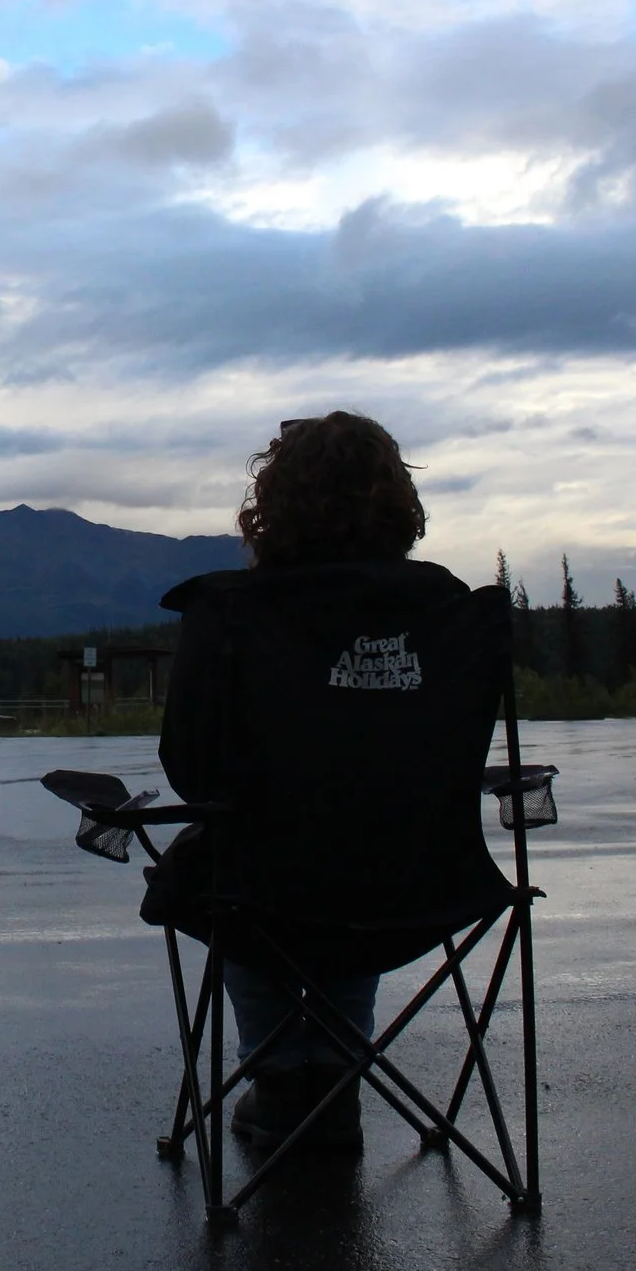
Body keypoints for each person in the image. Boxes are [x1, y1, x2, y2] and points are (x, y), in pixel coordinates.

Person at [154, 410, 466, 1151]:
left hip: (267, 882)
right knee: (357, 867)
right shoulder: (448, 608)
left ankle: (281, 1078)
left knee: (237, 867)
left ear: (273, 503)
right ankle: (333, 1079)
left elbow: (189, 764)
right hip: (420, 881)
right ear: (397, 500)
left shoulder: (228, 609)